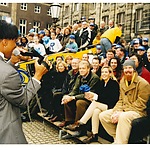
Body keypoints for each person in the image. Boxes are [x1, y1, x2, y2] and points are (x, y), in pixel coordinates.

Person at [0, 20, 48, 144]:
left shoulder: (5, 69)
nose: (15, 47)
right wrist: (38, 75)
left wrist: (11, 63)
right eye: (15, 43)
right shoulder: (8, 74)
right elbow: (23, 100)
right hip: (6, 134)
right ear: (4, 42)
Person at [99, 59, 150, 144]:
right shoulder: (123, 81)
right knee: (103, 115)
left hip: (138, 111)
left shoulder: (143, 84)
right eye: (125, 68)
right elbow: (121, 100)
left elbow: (141, 104)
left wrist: (121, 112)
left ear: (134, 69)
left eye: (130, 68)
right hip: (124, 109)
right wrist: (116, 111)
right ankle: (117, 138)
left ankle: (121, 143)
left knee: (123, 117)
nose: (127, 70)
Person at [67, 66, 120, 144]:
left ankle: (81, 122)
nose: (104, 74)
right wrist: (92, 96)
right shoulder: (101, 83)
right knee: (95, 111)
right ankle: (94, 134)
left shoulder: (114, 84)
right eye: (102, 72)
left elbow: (111, 99)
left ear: (110, 74)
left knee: (95, 104)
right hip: (101, 106)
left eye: (106, 72)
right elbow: (99, 96)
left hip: (111, 106)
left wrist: (95, 97)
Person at [61, 60, 100, 137]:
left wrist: (73, 97)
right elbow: (75, 90)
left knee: (80, 103)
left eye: (83, 68)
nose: (81, 70)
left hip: (91, 100)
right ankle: (70, 122)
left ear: (88, 69)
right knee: (67, 100)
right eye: (80, 68)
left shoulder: (94, 78)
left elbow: (88, 95)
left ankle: (80, 128)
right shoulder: (79, 77)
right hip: (80, 97)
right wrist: (68, 96)